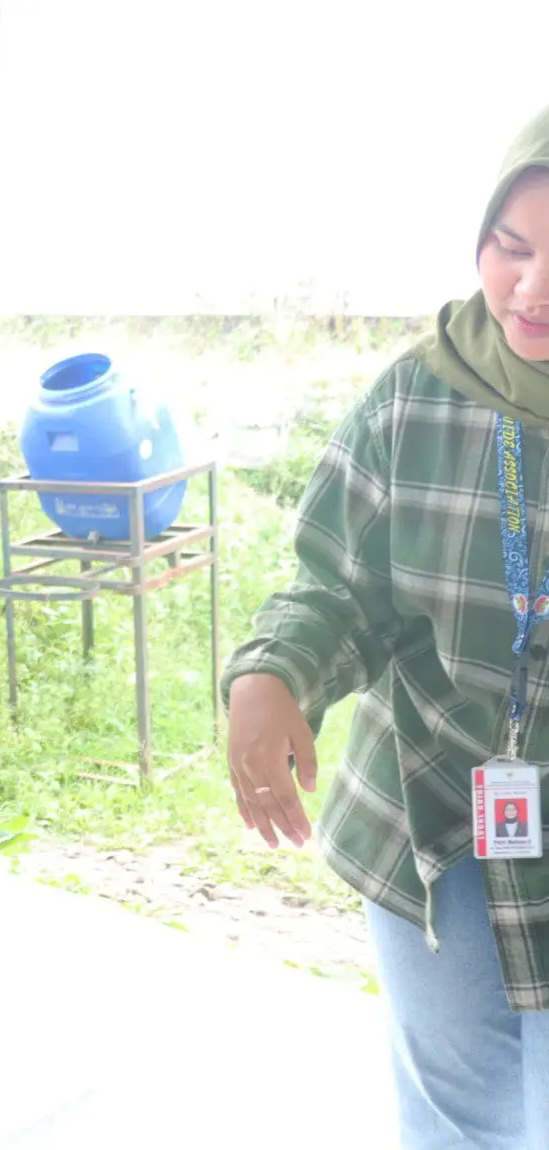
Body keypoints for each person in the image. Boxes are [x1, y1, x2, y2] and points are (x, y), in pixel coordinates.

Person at [223, 106, 549, 1146]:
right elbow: (337, 588)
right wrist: (272, 673)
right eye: (511, 248)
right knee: (461, 1116)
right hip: (438, 821)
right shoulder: (417, 399)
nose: (530, 289)